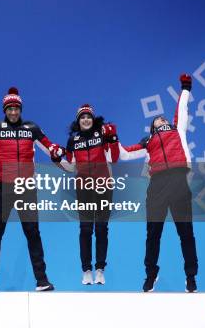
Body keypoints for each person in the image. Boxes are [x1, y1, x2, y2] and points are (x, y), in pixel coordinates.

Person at [0, 87, 65, 292]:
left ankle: (42, 280)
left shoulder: (31, 128)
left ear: (20, 109)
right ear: (5, 110)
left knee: (32, 232)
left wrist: (58, 152)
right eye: (10, 109)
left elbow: (49, 148)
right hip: (3, 187)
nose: (13, 112)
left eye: (16, 108)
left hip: (26, 187)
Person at [118, 74, 198, 293]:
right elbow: (124, 154)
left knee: (186, 233)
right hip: (157, 187)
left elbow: (181, 109)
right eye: (158, 120)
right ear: (152, 128)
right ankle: (151, 274)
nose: (162, 120)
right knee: (153, 233)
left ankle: (191, 277)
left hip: (179, 181)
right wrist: (112, 139)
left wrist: (185, 88)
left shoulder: (177, 130)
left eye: (164, 119)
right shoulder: (148, 142)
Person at [54, 104, 119, 285]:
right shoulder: (73, 141)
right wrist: (56, 160)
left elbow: (113, 158)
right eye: (82, 117)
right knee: (85, 229)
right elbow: (70, 167)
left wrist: (113, 139)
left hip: (103, 187)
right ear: (78, 121)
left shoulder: (102, 134)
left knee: (101, 229)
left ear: (93, 119)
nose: (86, 120)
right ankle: (86, 270)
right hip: (83, 189)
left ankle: (100, 269)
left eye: (88, 116)